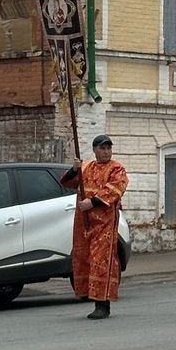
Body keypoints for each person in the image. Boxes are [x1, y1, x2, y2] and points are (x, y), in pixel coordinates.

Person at [61, 134, 129, 319]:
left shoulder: (116, 168)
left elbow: (115, 189)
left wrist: (92, 202)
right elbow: (68, 183)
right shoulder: (87, 167)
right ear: (94, 150)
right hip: (84, 221)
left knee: (101, 260)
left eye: (108, 148)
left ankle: (103, 304)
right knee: (83, 257)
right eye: (102, 148)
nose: (106, 152)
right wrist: (74, 170)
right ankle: (87, 293)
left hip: (104, 222)